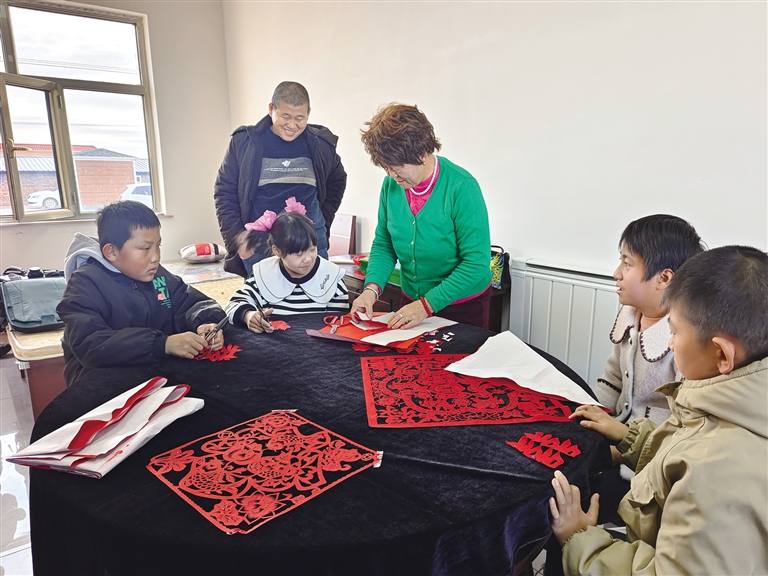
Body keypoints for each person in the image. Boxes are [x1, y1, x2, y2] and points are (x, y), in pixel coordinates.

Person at [549, 245, 768, 575]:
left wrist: (581, 540)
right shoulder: (737, 405)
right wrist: (630, 437)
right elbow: (684, 449)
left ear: (722, 355)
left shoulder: (714, 475)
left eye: (675, 331)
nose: (669, 343)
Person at [351, 103, 491, 329]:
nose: (392, 175)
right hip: (412, 304)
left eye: (397, 167)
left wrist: (426, 306)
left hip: (462, 306)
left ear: (422, 153)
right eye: (386, 167)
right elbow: (385, 244)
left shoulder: (462, 187)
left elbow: (476, 263)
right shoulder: (390, 186)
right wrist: (371, 289)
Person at [57, 201, 227, 387]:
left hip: (154, 373)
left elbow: (189, 301)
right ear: (111, 252)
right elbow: (90, 343)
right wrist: (162, 344)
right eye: (145, 248)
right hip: (101, 382)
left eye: (158, 246)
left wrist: (205, 322)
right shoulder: (86, 283)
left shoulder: (157, 275)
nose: (155, 257)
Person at [214, 81, 347, 278]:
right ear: (271, 109)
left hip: (311, 246)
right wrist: (237, 240)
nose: (292, 125)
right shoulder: (245, 142)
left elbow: (337, 181)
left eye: (299, 118)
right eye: (285, 116)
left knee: (317, 296)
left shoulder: (321, 144)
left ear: (308, 113)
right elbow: (224, 192)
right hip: (260, 247)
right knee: (263, 299)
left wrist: (321, 222)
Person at [593, 214, 704, 426]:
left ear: (664, 278)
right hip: (616, 427)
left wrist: (623, 438)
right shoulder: (629, 318)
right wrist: (591, 411)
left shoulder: (686, 340)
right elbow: (612, 380)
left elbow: (683, 420)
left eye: (627, 263)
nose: (616, 273)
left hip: (652, 441)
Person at [225, 205, 349, 333]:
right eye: (298, 254)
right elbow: (232, 306)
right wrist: (248, 315)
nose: (308, 259)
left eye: (312, 249)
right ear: (277, 251)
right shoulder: (264, 275)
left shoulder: (331, 278)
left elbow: (340, 324)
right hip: (274, 342)